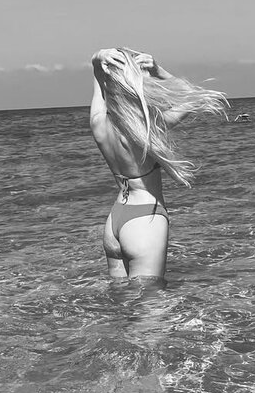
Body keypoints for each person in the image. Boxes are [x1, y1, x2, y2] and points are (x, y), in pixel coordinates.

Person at [90, 47, 229, 282]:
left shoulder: (98, 123)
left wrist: (98, 59)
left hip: (115, 219)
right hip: (144, 220)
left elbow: (97, 76)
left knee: (120, 297)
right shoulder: (148, 128)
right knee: (152, 301)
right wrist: (158, 70)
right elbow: (192, 95)